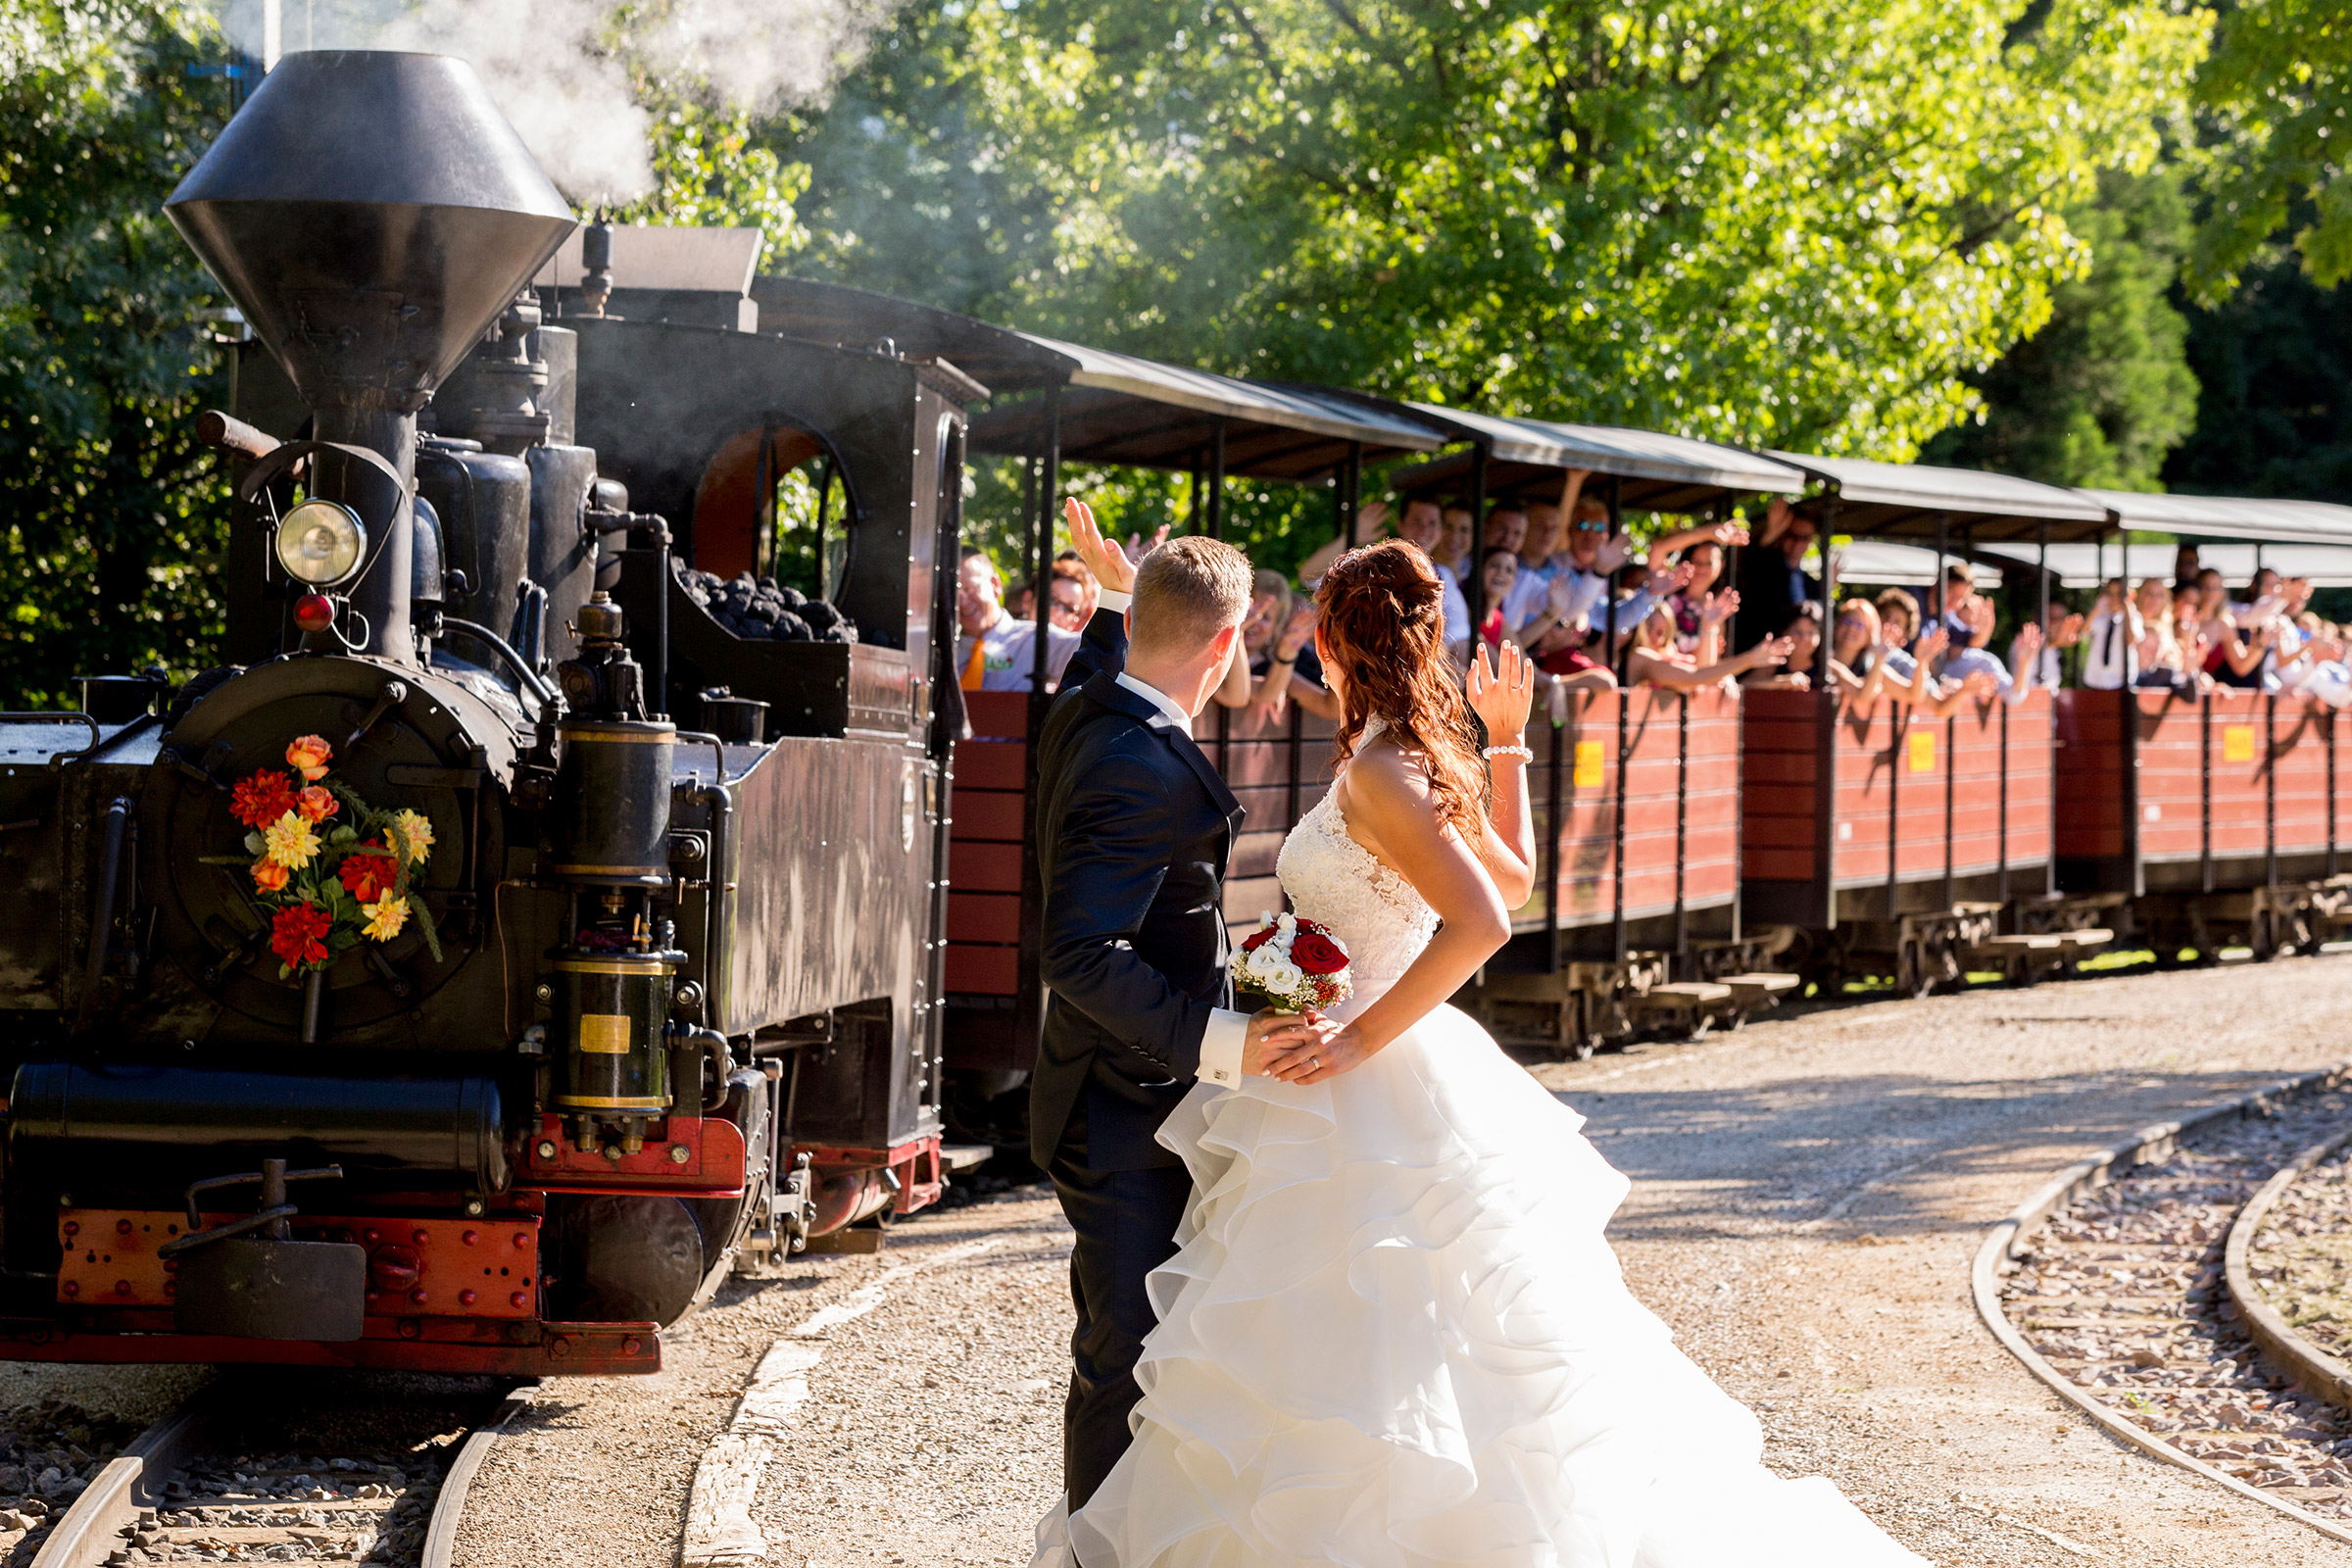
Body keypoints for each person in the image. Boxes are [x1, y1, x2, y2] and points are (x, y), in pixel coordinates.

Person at [1041, 539, 1928, 1568]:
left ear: (1330, 641)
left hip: (1366, 1067)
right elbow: (1514, 880)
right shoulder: (1398, 755)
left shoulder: (1383, 769)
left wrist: (1364, 1033)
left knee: (1358, 1338)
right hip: (1334, 1057)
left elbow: (1484, 922)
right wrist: (1505, 749)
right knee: (1355, 1334)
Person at [1031, 499, 1341, 1535]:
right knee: (1122, 1359)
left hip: (1134, 1095)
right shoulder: (1133, 760)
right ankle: (1095, 1553)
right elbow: (1077, 951)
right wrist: (1227, 1041)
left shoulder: (1091, 703)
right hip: (1120, 1111)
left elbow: (1104, 658)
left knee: (1154, 1347)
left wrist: (1118, 594)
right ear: (1224, 645)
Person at [957, 546, 1081, 691]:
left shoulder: (1038, 640)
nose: (963, 601)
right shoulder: (941, 654)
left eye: (970, 588)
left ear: (995, 585)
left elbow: (1095, 651)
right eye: (953, 592)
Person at [1628, 592, 1789, 691]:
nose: (1654, 637)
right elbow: (1696, 677)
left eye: (1662, 632)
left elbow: (1703, 672)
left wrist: (1708, 628)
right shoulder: (1639, 657)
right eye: (1648, 627)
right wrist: (1749, 659)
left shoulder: (1668, 656)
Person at [1735, 497, 1819, 652]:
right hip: (1759, 653)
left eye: (1805, 538)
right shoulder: (1765, 567)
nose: (1798, 543)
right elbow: (1748, 563)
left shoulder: (1811, 583)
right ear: (1783, 535)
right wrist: (1770, 533)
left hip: (1796, 660)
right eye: (1792, 536)